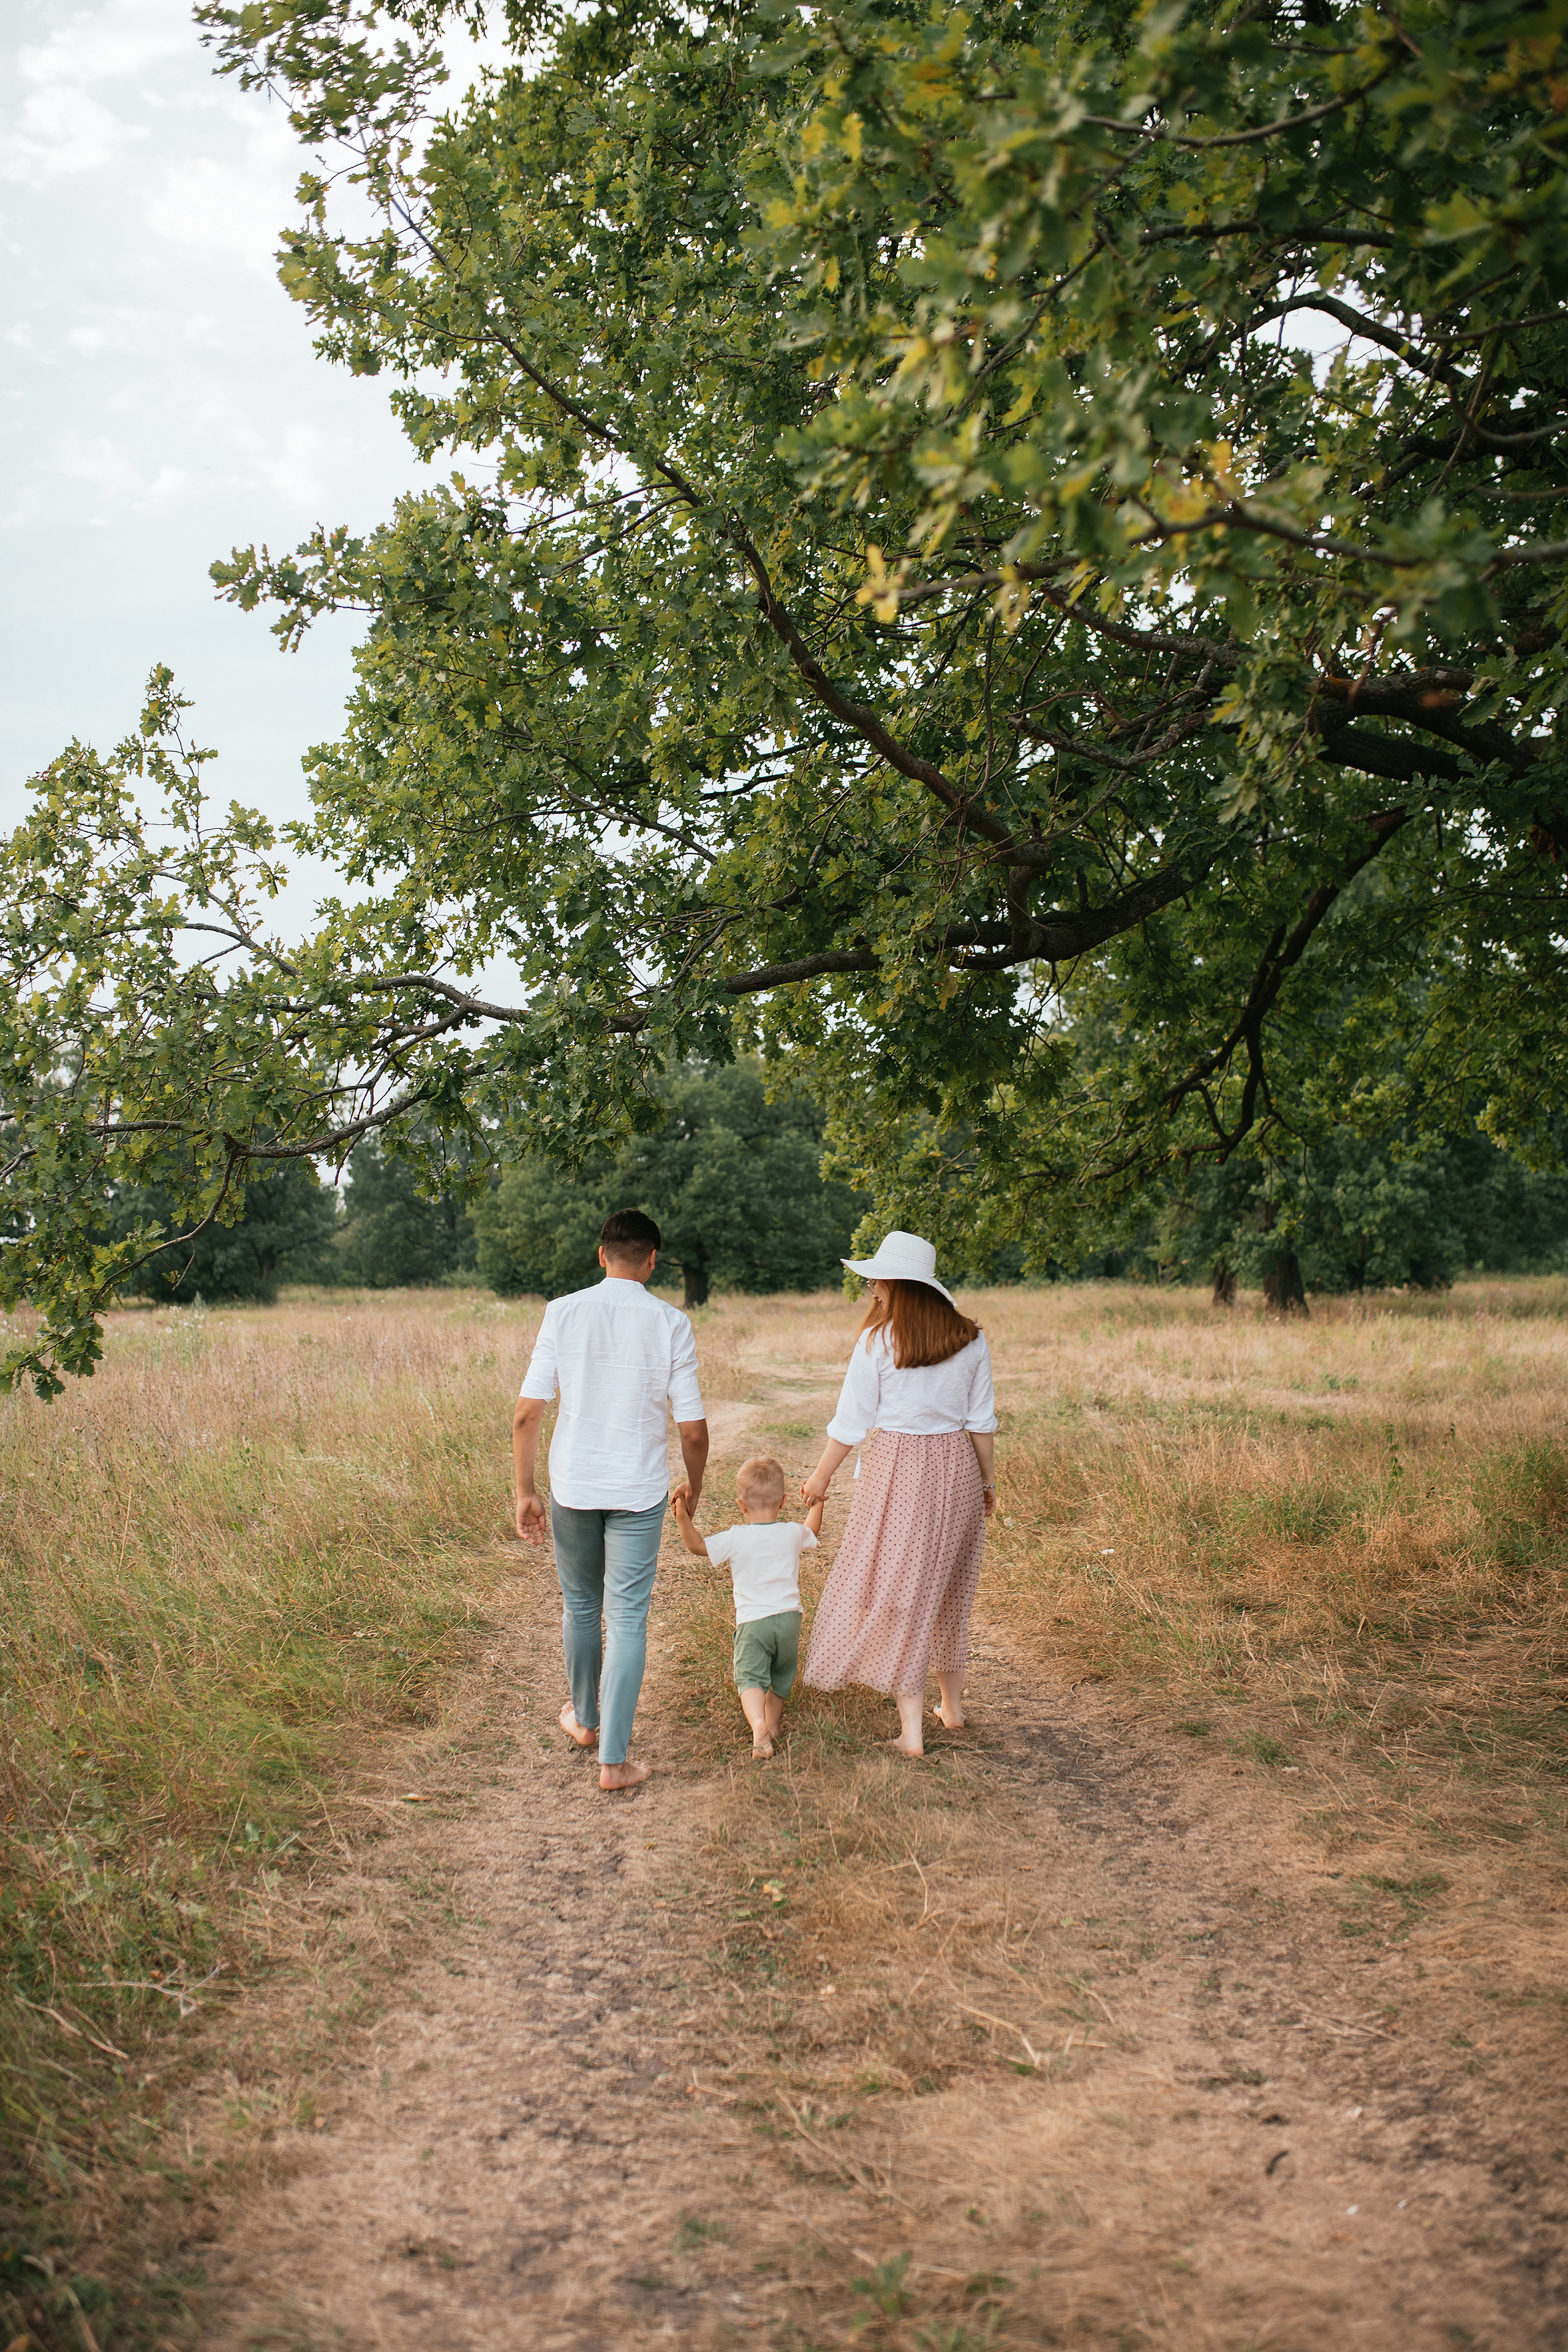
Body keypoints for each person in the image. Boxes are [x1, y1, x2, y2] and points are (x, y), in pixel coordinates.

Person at [513, 1207, 709, 1792]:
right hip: (639, 1490)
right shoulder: (672, 1323)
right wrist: (694, 1487)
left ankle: (585, 1721)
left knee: (580, 1605)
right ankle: (615, 1763)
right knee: (626, 1617)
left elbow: (527, 1413)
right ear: (652, 1260)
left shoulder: (563, 1312)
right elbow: (693, 1430)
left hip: (573, 1485)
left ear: (602, 1256)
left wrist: (525, 1492)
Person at [801, 1231, 997, 1758]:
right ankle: (951, 1711)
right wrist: (986, 1482)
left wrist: (821, 1478)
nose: (871, 1285)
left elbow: (850, 1423)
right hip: (956, 1466)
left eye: (877, 1277)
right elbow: (981, 1423)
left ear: (900, 1284)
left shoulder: (878, 1342)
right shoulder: (971, 1339)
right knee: (951, 1586)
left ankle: (912, 1734)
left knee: (900, 1589)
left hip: (896, 1470)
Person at [672, 1455, 824, 1758]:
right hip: (789, 1620)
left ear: (741, 1506)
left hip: (754, 1624)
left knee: (751, 1678)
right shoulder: (792, 1532)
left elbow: (697, 1546)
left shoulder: (736, 1537)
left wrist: (681, 1515)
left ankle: (758, 1724)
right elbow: (813, 1531)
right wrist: (817, 1503)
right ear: (782, 1502)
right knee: (781, 1675)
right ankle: (773, 1724)